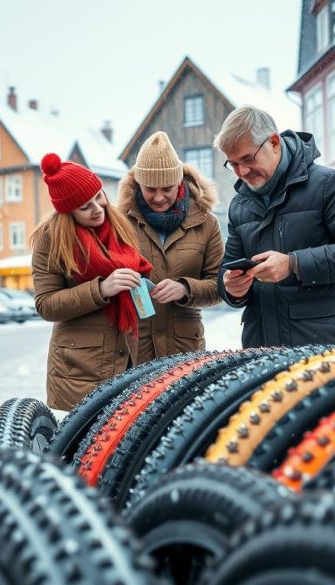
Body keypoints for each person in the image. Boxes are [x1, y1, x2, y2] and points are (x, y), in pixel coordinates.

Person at [215, 106, 335, 347]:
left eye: (248, 159)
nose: (242, 172)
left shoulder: (329, 184)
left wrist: (293, 264)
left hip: (323, 351)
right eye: (232, 164)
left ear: (274, 142)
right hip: (260, 354)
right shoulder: (239, 205)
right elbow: (226, 272)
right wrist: (231, 287)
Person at [31, 153, 152, 411]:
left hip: (127, 357)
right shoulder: (50, 239)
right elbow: (46, 304)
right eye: (85, 207)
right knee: (84, 447)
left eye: (99, 197)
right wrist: (100, 289)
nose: (98, 209)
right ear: (67, 212)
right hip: (79, 368)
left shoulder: (119, 226)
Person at [118, 131, 224, 360]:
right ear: (138, 185)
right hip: (135, 350)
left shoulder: (206, 223)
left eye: (167, 188)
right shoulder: (121, 223)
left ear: (180, 183)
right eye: (150, 189)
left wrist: (186, 289)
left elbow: (220, 287)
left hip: (185, 350)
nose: (158, 197)